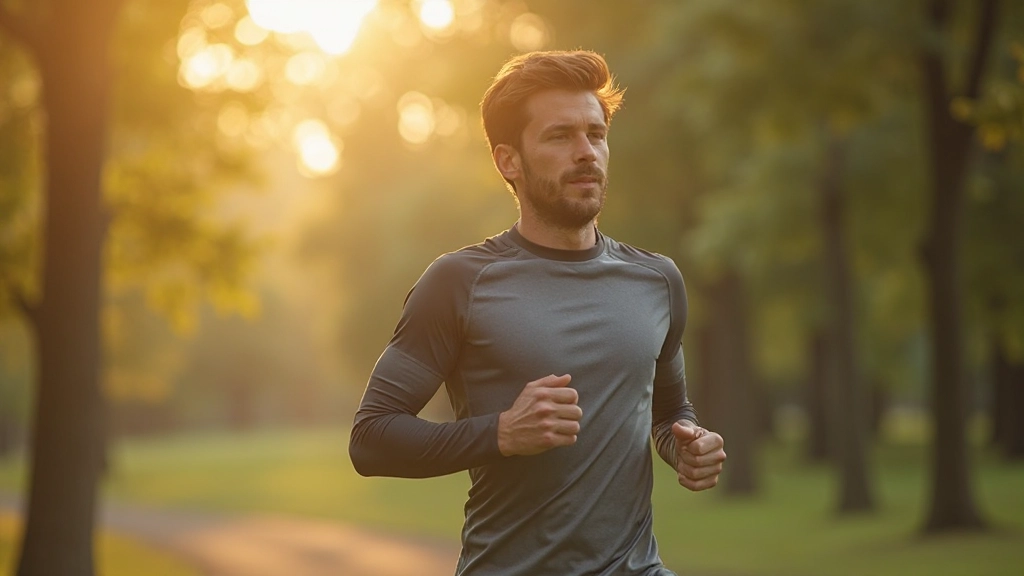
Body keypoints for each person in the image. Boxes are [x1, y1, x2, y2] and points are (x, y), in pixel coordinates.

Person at [349, 49, 726, 576]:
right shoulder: (458, 282)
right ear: (509, 161)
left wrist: (688, 445)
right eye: (559, 136)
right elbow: (371, 439)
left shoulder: (657, 281)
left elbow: (669, 413)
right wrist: (501, 433)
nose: (586, 153)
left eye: (596, 134)